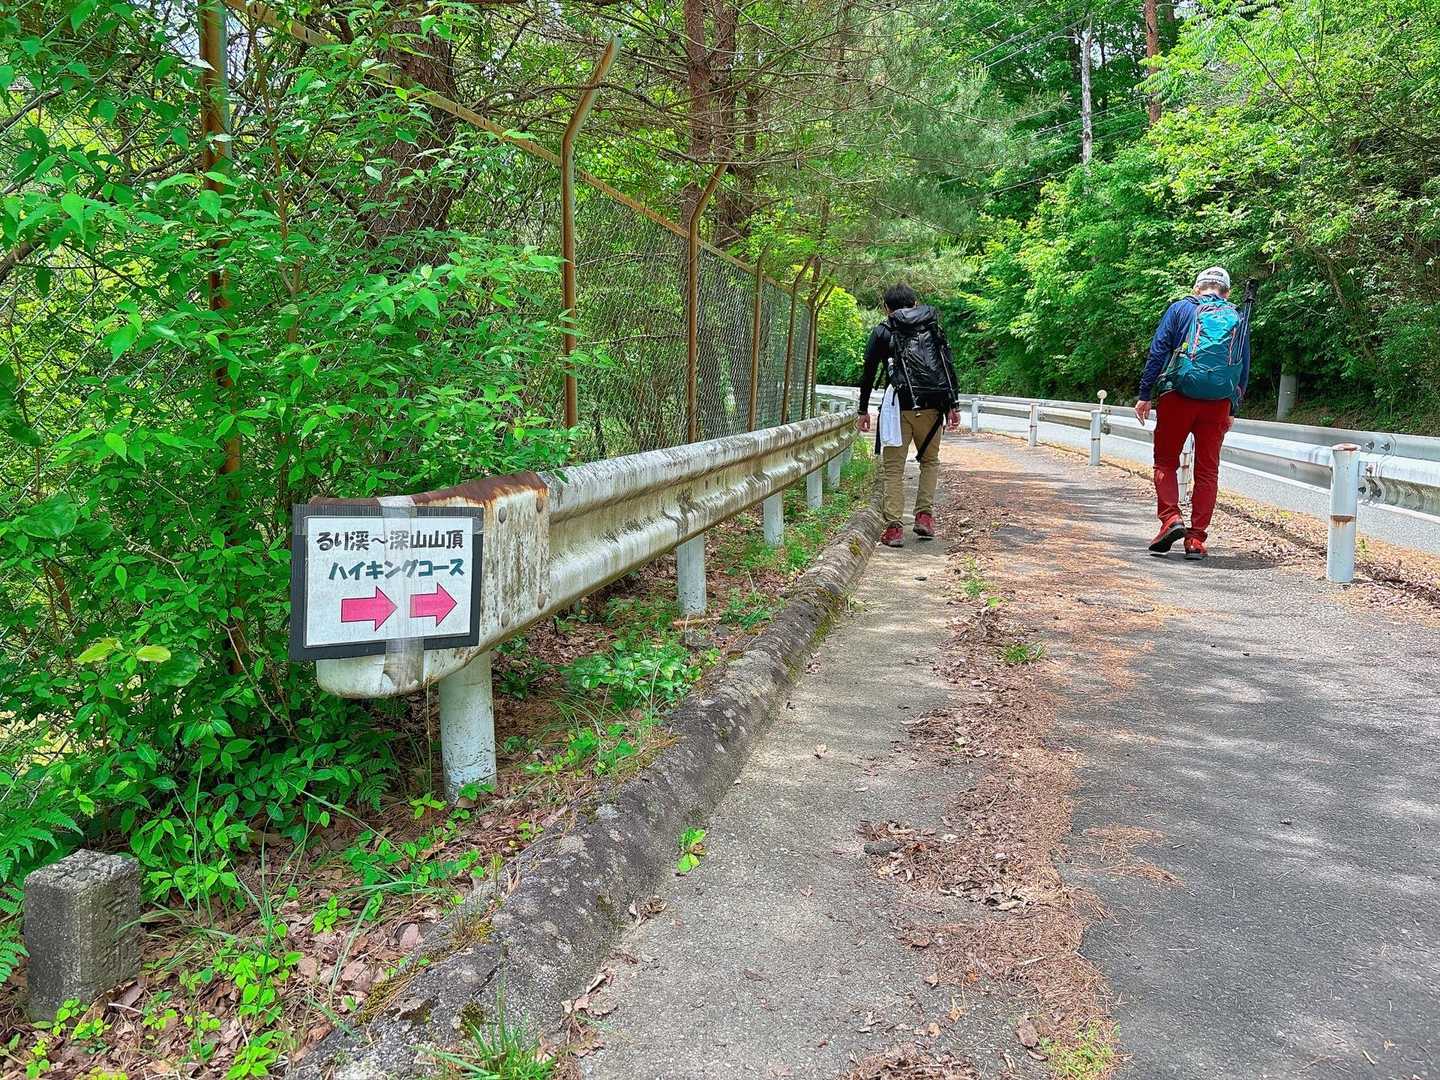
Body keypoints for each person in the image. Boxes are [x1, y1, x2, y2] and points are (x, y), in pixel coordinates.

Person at [1135, 266, 1253, 561]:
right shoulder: (1237, 316)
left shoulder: (1180, 309)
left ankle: (1171, 518)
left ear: (1196, 288)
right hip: (1218, 402)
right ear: (1226, 292)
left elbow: (1158, 351)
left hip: (1178, 395)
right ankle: (1196, 539)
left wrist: (1145, 394)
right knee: (1207, 471)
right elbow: (1243, 365)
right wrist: (1233, 407)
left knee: (1165, 461)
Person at [856, 284, 960, 548]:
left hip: (898, 407)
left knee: (893, 469)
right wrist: (953, 405)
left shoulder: (883, 330)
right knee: (930, 461)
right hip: (934, 405)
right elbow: (947, 366)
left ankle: (894, 529)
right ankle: (924, 516)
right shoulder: (932, 327)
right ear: (915, 303)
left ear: (886, 308)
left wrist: (863, 410)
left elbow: (868, 372)